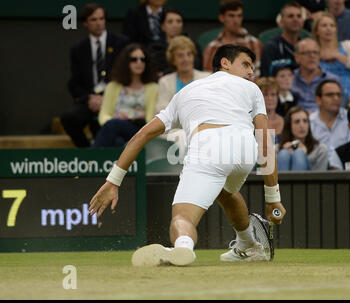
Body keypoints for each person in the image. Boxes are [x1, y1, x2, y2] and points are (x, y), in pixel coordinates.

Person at [88, 45, 286, 266]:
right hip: (244, 148)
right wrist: (273, 199)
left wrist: (113, 181)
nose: (251, 72)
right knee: (225, 191)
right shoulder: (252, 89)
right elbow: (265, 142)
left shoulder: (185, 92)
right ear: (225, 63)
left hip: (209, 148)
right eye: (246, 64)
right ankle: (248, 244)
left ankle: (182, 247)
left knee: (182, 218)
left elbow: (142, 135)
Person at [60, 3, 129, 147]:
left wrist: (107, 97)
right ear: (85, 23)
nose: (98, 23)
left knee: (108, 132)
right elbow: (74, 83)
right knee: (68, 118)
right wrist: (90, 98)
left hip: (116, 99)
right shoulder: (78, 49)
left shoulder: (121, 43)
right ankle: (86, 154)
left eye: (101, 19)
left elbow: (127, 75)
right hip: (90, 100)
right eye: (93, 20)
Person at [92, 44, 158, 147]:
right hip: (115, 127)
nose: (139, 62)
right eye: (134, 59)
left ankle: (92, 160)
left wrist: (118, 122)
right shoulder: (113, 86)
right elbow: (103, 115)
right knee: (117, 142)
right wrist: (116, 121)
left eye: (142, 59)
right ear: (126, 62)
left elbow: (151, 118)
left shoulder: (153, 87)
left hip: (140, 129)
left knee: (113, 126)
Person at [312, 12, 350, 107]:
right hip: (327, 92)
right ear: (317, 31)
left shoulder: (347, 45)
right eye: (324, 25)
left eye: (332, 25)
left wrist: (337, 56)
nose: (328, 28)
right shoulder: (313, 52)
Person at [202, 0, 263, 77]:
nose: (236, 21)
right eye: (231, 16)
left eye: (239, 16)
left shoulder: (254, 43)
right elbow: (208, 76)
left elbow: (257, 75)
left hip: (248, 87)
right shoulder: (211, 47)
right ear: (221, 18)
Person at [155, 36, 211, 114]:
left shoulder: (206, 78)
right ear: (173, 60)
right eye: (180, 55)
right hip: (174, 126)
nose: (186, 59)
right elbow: (161, 110)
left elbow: (210, 106)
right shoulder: (165, 82)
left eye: (189, 54)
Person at [260, 1, 311, 77]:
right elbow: (266, 77)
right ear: (282, 21)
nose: (295, 19)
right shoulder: (272, 47)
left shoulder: (307, 46)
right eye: (290, 16)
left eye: (299, 16)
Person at [148, 8, 204, 76]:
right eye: (170, 21)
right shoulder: (154, 48)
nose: (175, 25)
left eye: (178, 21)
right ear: (162, 26)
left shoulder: (193, 46)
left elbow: (197, 67)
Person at [291, 38, 339, 113]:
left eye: (315, 52)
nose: (312, 56)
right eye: (307, 52)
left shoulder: (332, 80)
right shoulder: (289, 78)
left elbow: (336, 109)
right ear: (297, 57)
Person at [310, 79, 350, 159]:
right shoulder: (309, 122)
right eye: (330, 95)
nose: (336, 98)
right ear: (318, 100)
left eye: (339, 95)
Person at [277, 106, 329, 171]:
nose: (302, 125)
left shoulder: (320, 150)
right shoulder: (277, 149)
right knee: (284, 154)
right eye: (297, 122)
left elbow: (321, 178)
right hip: (279, 179)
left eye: (305, 121)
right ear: (289, 126)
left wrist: (304, 156)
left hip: (310, 180)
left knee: (299, 153)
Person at [256, 77, 284, 143]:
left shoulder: (285, 120)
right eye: (265, 95)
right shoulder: (252, 122)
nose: (270, 98)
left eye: (273, 95)